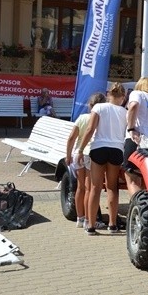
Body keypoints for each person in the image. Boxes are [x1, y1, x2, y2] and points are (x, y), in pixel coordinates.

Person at [77, 83, 127, 235]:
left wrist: (80, 150)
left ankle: (91, 226)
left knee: (95, 187)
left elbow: (90, 129)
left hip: (98, 147)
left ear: (108, 94)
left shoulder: (98, 107)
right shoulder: (124, 111)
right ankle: (112, 225)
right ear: (123, 97)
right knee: (112, 187)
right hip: (117, 149)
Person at [65, 92, 106, 229]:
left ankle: (80, 218)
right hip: (90, 154)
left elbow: (71, 137)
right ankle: (90, 220)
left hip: (78, 154)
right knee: (90, 189)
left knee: (80, 188)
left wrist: (68, 155)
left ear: (90, 105)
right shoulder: (101, 118)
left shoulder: (82, 118)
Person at [123, 77, 148, 195]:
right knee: (146, 178)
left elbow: (134, 106)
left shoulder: (137, 93)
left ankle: (138, 209)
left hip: (138, 139)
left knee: (131, 177)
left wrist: (131, 128)